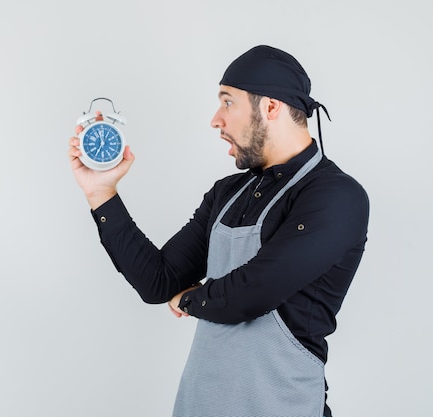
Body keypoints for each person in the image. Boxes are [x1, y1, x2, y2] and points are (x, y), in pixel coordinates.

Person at [67, 45, 369, 417]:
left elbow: (255, 291)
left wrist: (191, 299)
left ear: (270, 106)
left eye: (227, 102)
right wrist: (102, 194)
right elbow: (157, 282)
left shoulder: (336, 196)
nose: (215, 119)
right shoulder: (227, 193)